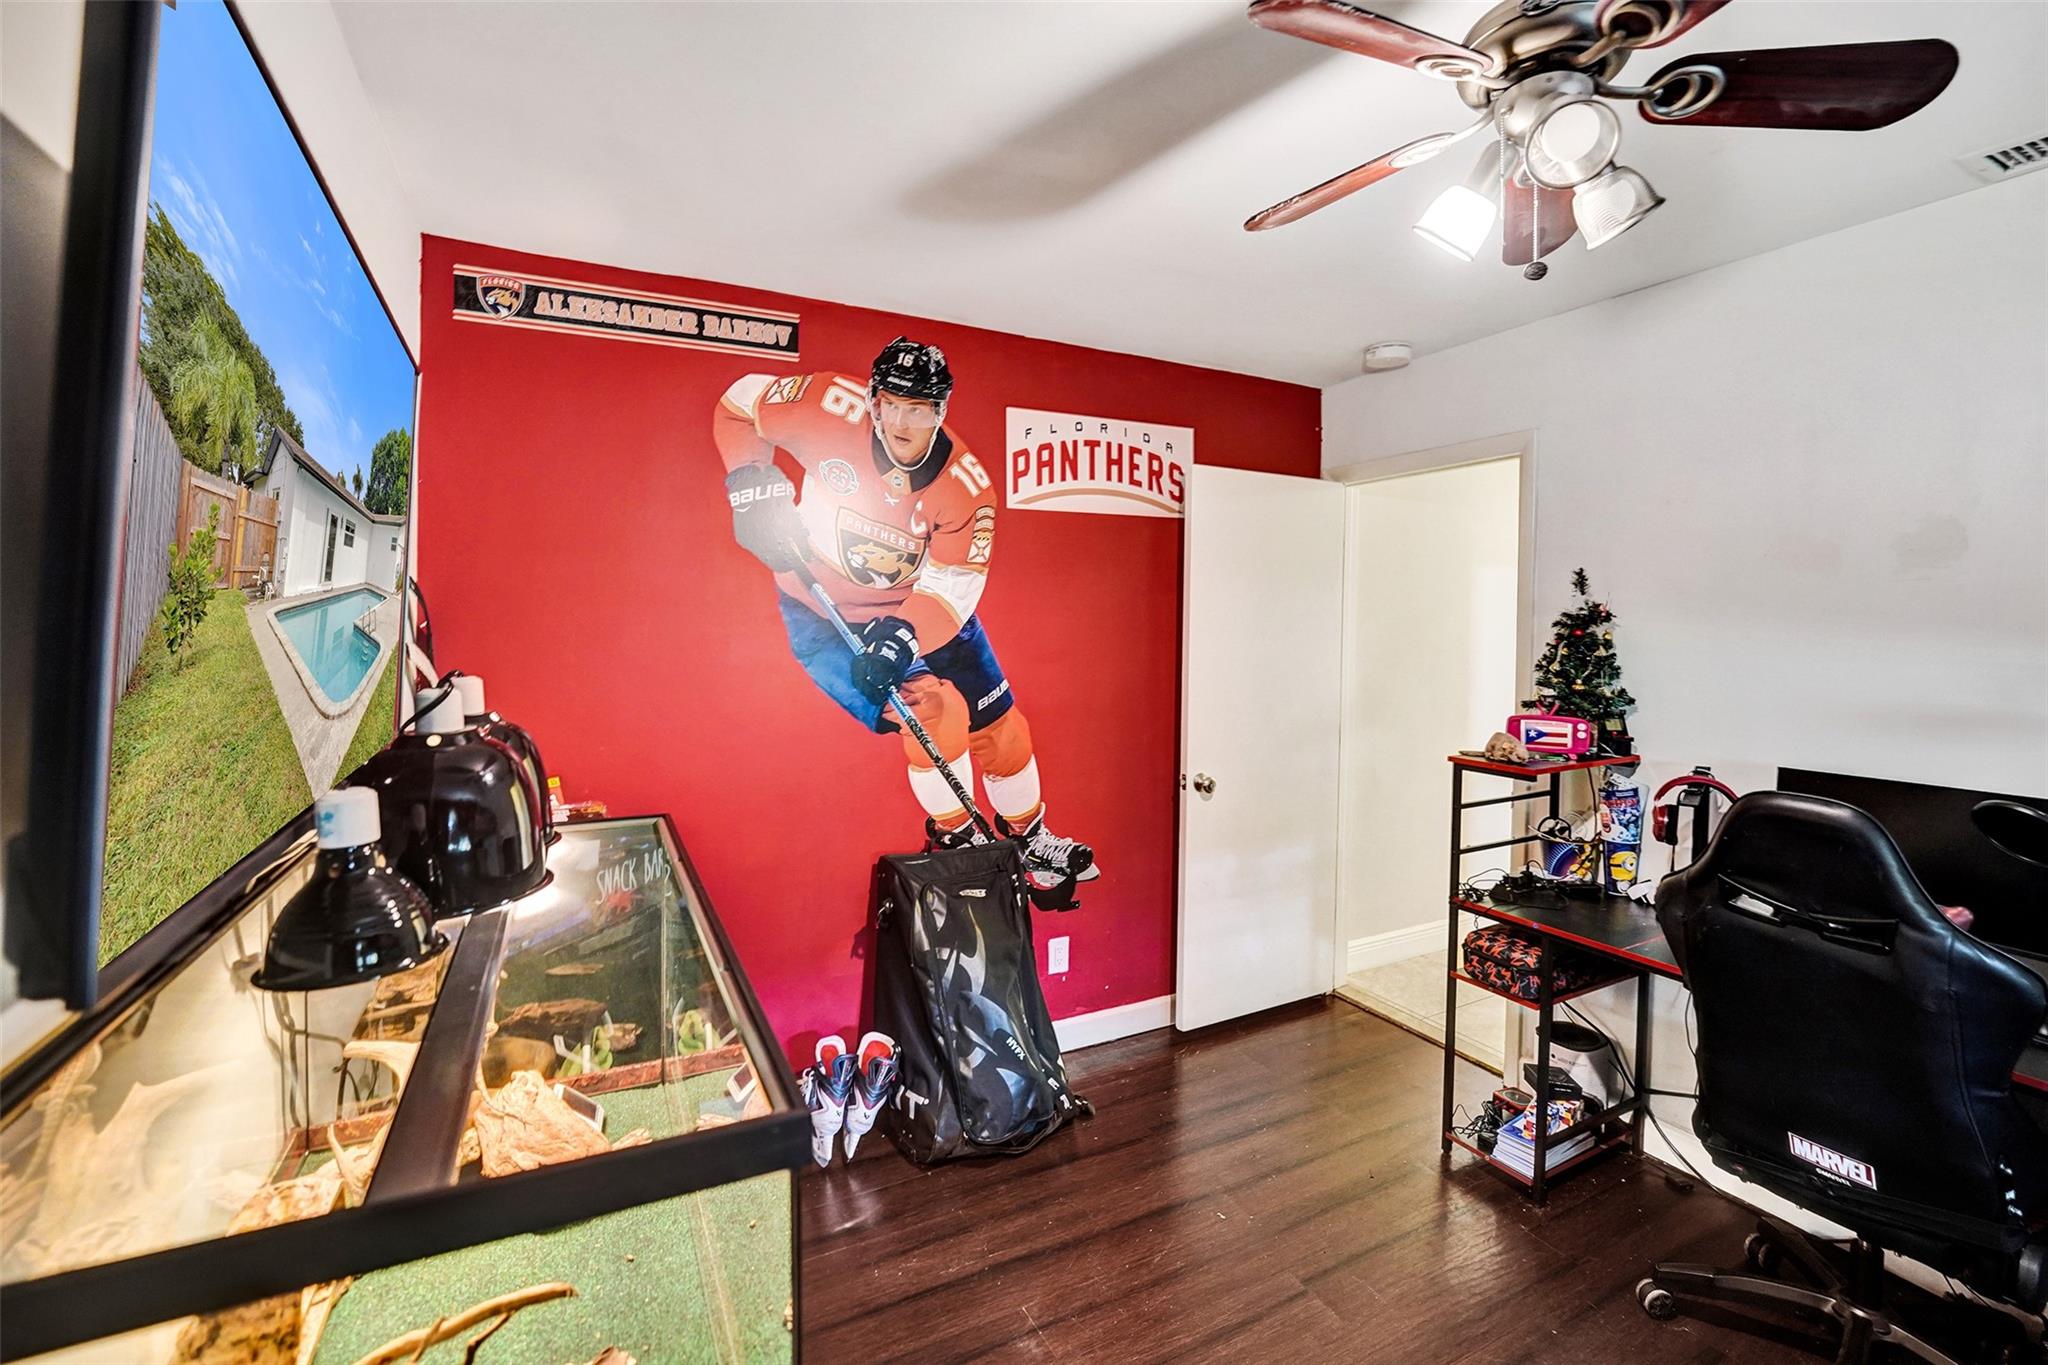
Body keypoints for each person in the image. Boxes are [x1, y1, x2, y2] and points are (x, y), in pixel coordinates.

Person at [712, 336, 1095, 884]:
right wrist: (749, 479)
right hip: (824, 614)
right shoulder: (824, 405)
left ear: (940, 410)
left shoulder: (966, 489)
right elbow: (738, 402)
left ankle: (1031, 837)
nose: (900, 422)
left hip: (921, 608)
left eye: (917, 408)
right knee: (935, 714)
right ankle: (960, 837)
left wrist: (903, 634)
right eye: (890, 404)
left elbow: (952, 589)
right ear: (872, 399)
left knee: (1001, 724)